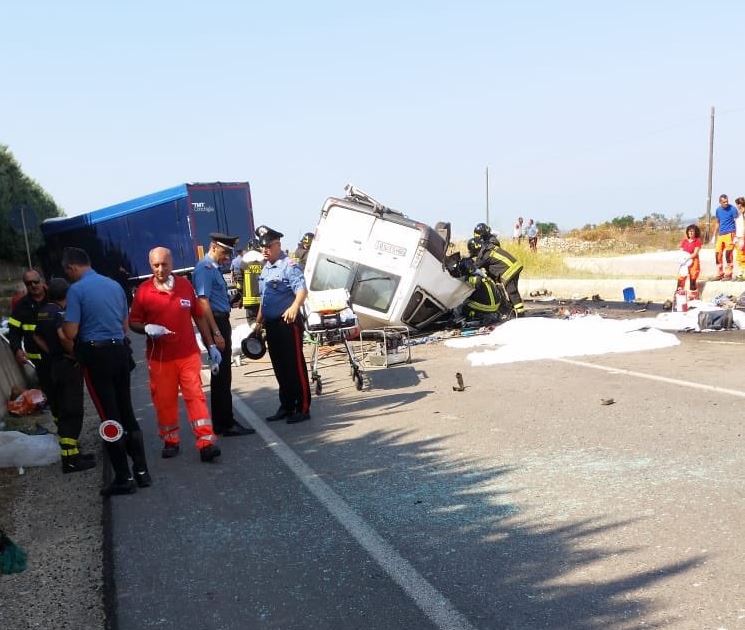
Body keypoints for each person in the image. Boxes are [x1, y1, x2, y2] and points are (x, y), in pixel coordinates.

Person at [61, 247, 151, 496]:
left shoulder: (76, 290)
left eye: (66, 271)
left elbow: (70, 332)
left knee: (109, 417)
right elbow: (124, 327)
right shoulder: (114, 286)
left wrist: (63, 330)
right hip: (120, 352)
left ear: (71, 268)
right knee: (127, 411)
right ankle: (142, 472)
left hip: (96, 356)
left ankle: (123, 476)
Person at [129, 247, 223, 461]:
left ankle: (206, 443)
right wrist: (145, 328)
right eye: (155, 265)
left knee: (195, 397)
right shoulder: (143, 291)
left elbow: (199, 317)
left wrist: (211, 346)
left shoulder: (184, 286)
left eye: (164, 264)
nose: (160, 269)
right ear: (150, 265)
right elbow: (133, 322)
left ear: (171, 264)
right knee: (164, 400)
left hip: (187, 354)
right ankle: (171, 440)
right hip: (160, 358)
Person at [192, 233, 254, 437]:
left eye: (229, 253)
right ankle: (224, 423)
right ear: (213, 247)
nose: (227, 257)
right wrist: (216, 332)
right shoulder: (205, 268)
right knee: (221, 376)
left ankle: (224, 421)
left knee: (223, 375)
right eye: (225, 252)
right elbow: (203, 302)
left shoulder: (213, 268)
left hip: (221, 319)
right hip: (216, 323)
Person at [33, 278, 95, 474]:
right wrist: (74, 354)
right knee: (73, 411)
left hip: (54, 366)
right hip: (68, 367)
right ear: (66, 295)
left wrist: (52, 352)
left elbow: (36, 336)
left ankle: (74, 454)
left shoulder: (43, 312)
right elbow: (63, 335)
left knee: (63, 411)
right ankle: (70, 461)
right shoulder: (60, 313)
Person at [254, 225, 311, 423]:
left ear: (278, 244)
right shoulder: (266, 268)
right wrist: (258, 323)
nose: (264, 250)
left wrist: (295, 306)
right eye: (262, 247)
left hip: (288, 323)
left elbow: (302, 290)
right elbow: (265, 300)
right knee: (279, 367)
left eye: (268, 246)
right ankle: (286, 405)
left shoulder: (289, 265)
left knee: (294, 366)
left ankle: (302, 407)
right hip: (271, 324)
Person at [8, 270, 51, 399]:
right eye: (28, 283)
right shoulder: (21, 306)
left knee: (68, 393)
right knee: (50, 394)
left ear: (42, 281)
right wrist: (17, 349)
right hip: (39, 360)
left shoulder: (54, 298)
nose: (33, 285)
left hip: (59, 356)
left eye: (35, 281)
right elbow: (13, 331)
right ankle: (57, 417)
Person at [468, 237, 525, 317]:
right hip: (514, 266)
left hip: (509, 269)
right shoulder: (488, 248)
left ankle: (520, 314)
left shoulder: (483, 255)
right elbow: (491, 267)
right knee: (512, 292)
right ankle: (513, 310)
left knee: (512, 292)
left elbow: (474, 268)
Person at [458, 257, 502, 325]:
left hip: (487, 308)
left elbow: (460, 282)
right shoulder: (484, 276)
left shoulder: (473, 279)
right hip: (496, 307)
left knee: (462, 306)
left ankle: (474, 316)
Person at [711, 193, 737, 280]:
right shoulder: (718, 210)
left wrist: (737, 235)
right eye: (724, 202)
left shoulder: (733, 209)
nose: (726, 203)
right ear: (720, 202)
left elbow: (737, 221)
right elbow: (718, 222)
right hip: (721, 234)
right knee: (717, 254)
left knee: (728, 254)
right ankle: (720, 273)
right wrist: (714, 235)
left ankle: (728, 274)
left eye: (727, 201)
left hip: (730, 233)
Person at [241, 239, 264, 323]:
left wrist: (240, 297)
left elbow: (239, 282)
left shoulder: (244, 259)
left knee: (252, 322)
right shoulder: (264, 259)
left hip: (249, 300)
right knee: (263, 323)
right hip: (263, 299)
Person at [677, 224, 702, 299]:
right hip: (684, 261)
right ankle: (679, 294)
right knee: (681, 277)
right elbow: (681, 251)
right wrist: (682, 259)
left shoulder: (697, 241)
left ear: (695, 232)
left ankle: (693, 296)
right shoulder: (684, 241)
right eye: (689, 231)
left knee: (693, 277)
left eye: (692, 231)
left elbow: (695, 253)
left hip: (693, 261)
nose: (690, 233)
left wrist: (688, 258)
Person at [735, 198, 745, 280]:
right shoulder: (738, 214)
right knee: (739, 255)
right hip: (738, 236)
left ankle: (743, 273)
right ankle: (741, 273)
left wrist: (743, 238)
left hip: (742, 236)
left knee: (742, 255)